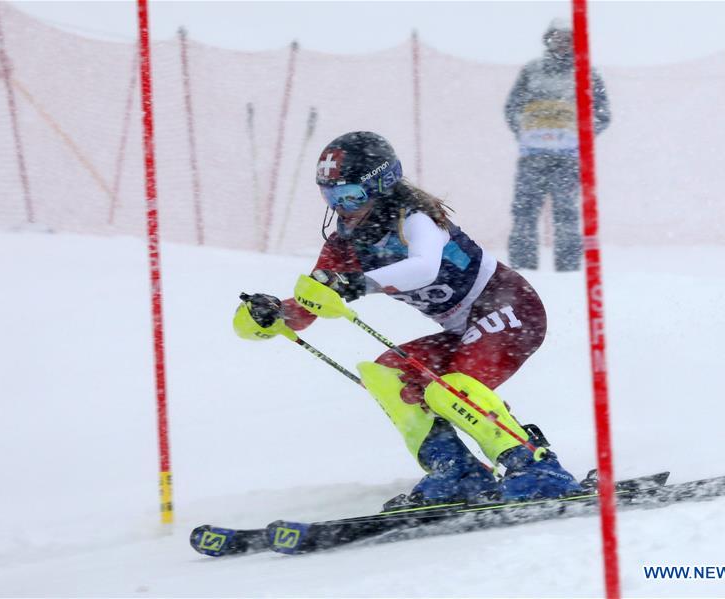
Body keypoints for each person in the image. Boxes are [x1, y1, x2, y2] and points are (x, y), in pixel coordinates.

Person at [235, 131, 581, 508]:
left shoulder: (415, 218)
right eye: (331, 196)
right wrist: (274, 314)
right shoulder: (344, 244)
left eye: (351, 195)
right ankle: (456, 471)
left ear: (382, 186)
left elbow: (424, 268)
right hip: (463, 327)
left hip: (509, 308)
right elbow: (310, 306)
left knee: (448, 389)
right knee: (387, 374)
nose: (342, 208)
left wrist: (361, 283)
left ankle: (534, 466)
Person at [504, 17, 611, 271]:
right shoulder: (531, 71)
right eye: (558, 38)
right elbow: (512, 108)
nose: (563, 43)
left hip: (568, 159)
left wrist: (580, 132)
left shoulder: (586, 74)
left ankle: (568, 270)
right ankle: (523, 269)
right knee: (524, 212)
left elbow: (602, 114)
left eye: (569, 39)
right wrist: (526, 130)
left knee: (566, 214)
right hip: (533, 157)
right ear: (548, 39)